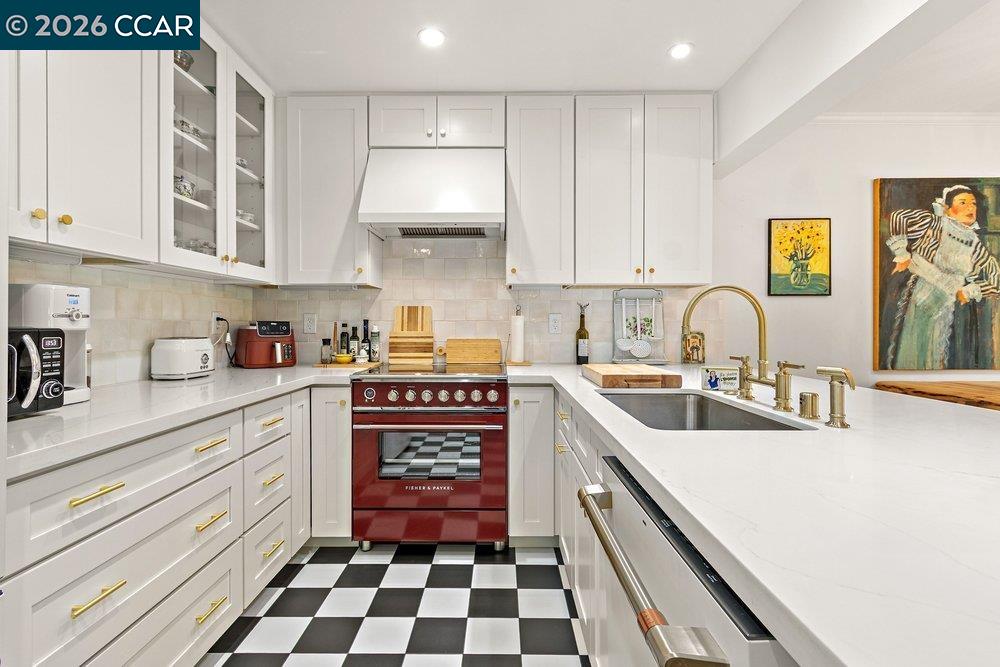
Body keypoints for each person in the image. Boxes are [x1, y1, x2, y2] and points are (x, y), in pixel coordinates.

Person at [885, 185, 1000, 369]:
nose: (970, 208)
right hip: (919, 294)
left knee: (936, 354)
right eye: (963, 203)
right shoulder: (935, 224)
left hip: (948, 306)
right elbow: (899, 217)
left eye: (973, 204)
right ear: (947, 208)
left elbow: (996, 278)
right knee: (911, 347)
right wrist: (902, 253)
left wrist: (969, 291)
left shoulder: (975, 244)